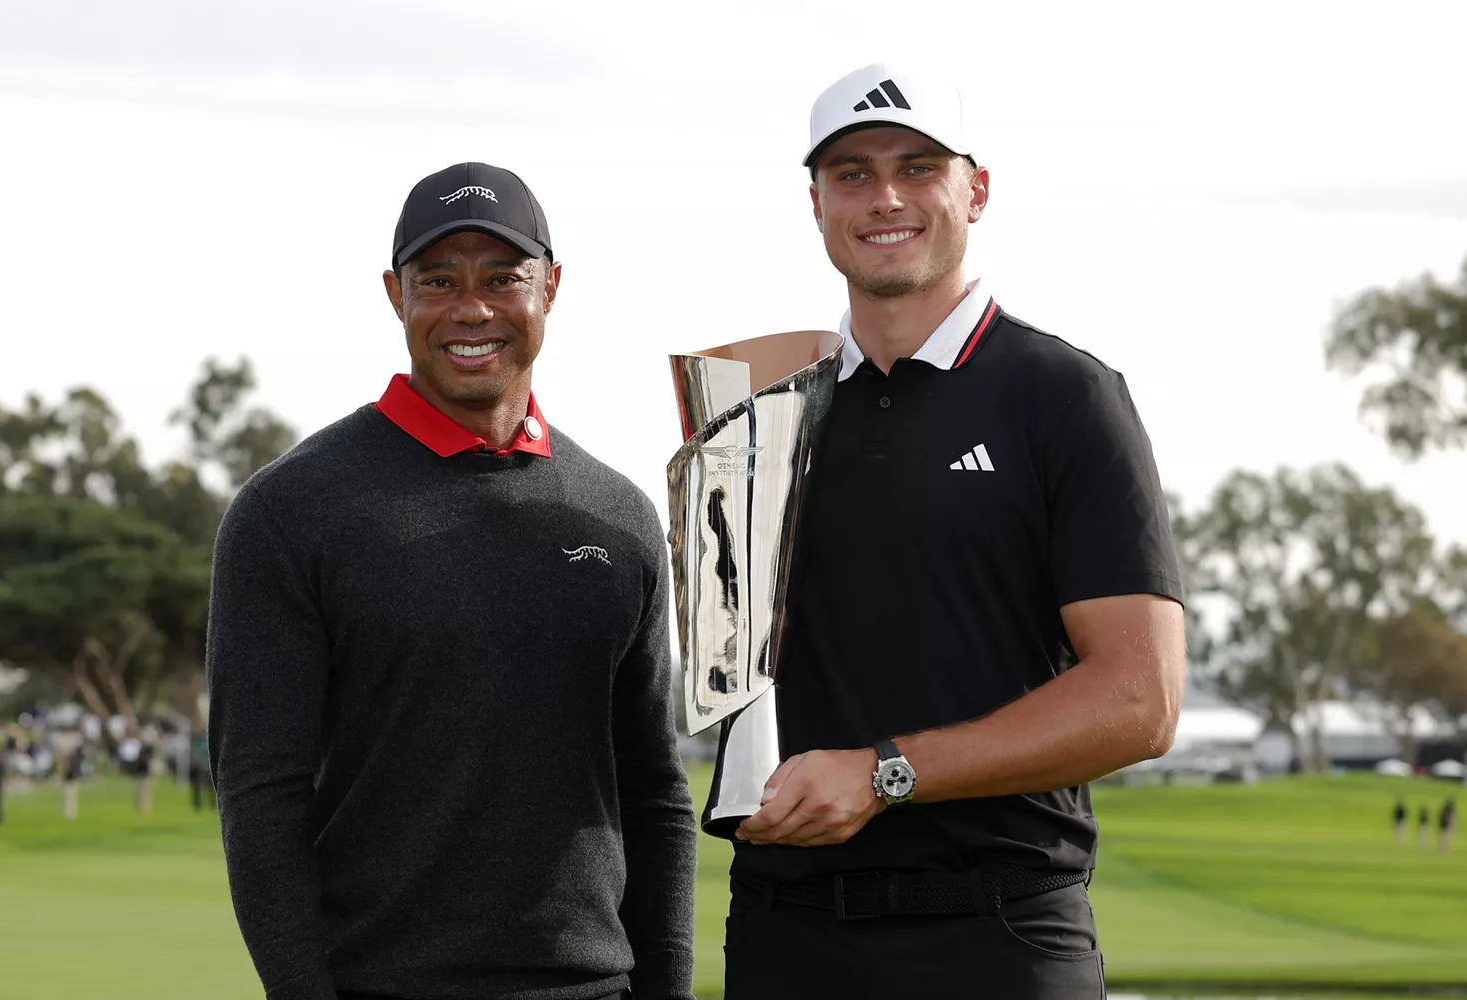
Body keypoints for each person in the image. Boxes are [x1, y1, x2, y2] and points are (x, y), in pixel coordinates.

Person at [723, 64, 1187, 999]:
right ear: (815, 204)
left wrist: (884, 774)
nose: (884, 196)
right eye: (851, 173)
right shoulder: (754, 412)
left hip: (1000, 932)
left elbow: (1141, 700)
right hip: (785, 931)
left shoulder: (1064, 396)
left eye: (918, 167)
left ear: (976, 189)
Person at [206, 161, 696, 1000]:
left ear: (552, 288)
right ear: (396, 294)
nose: (472, 309)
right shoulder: (288, 510)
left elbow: (654, 787)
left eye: (503, 278)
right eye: (439, 280)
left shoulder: (620, 514)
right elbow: (261, 797)